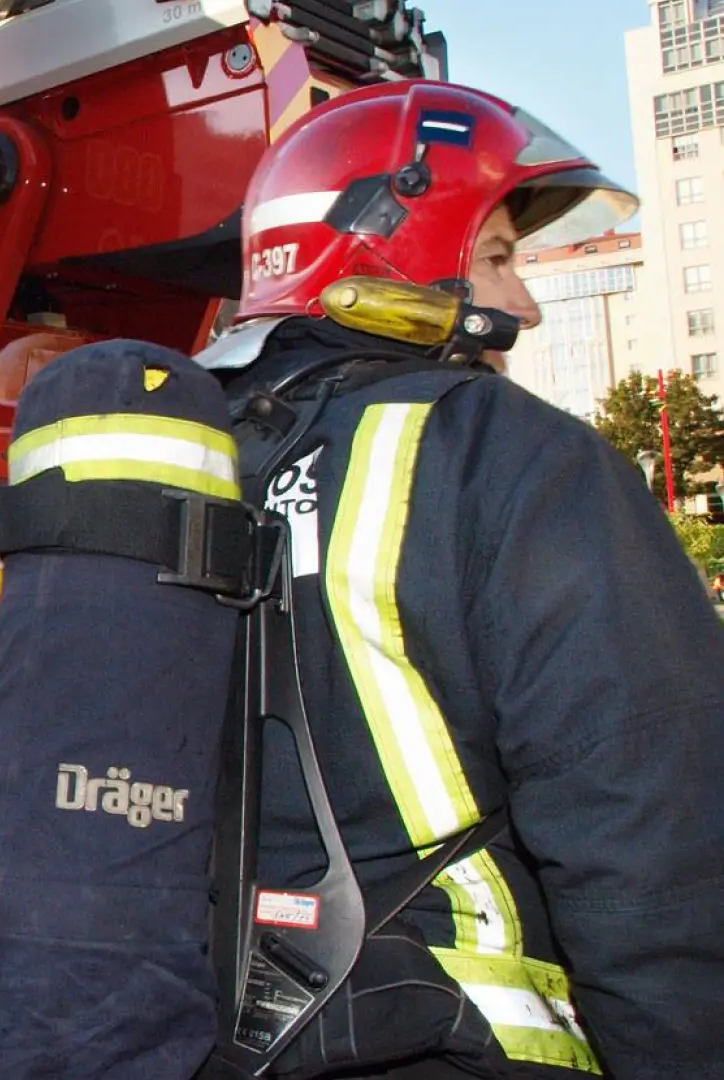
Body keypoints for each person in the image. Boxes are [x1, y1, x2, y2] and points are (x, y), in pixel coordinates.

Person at [181, 81, 724, 1078]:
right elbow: (656, 853)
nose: (525, 302)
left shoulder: (184, 467)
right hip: (457, 1041)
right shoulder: (510, 457)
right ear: (396, 249)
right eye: (502, 258)